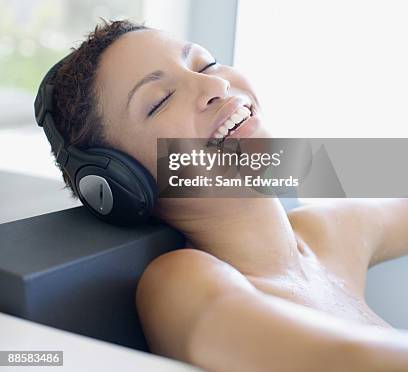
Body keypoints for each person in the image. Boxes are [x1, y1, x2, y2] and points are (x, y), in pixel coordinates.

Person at [50, 19, 408, 372]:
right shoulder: (179, 282)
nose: (216, 84)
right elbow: (345, 360)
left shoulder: (326, 231)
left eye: (206, 64)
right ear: (123, 181)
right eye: (160, 101)